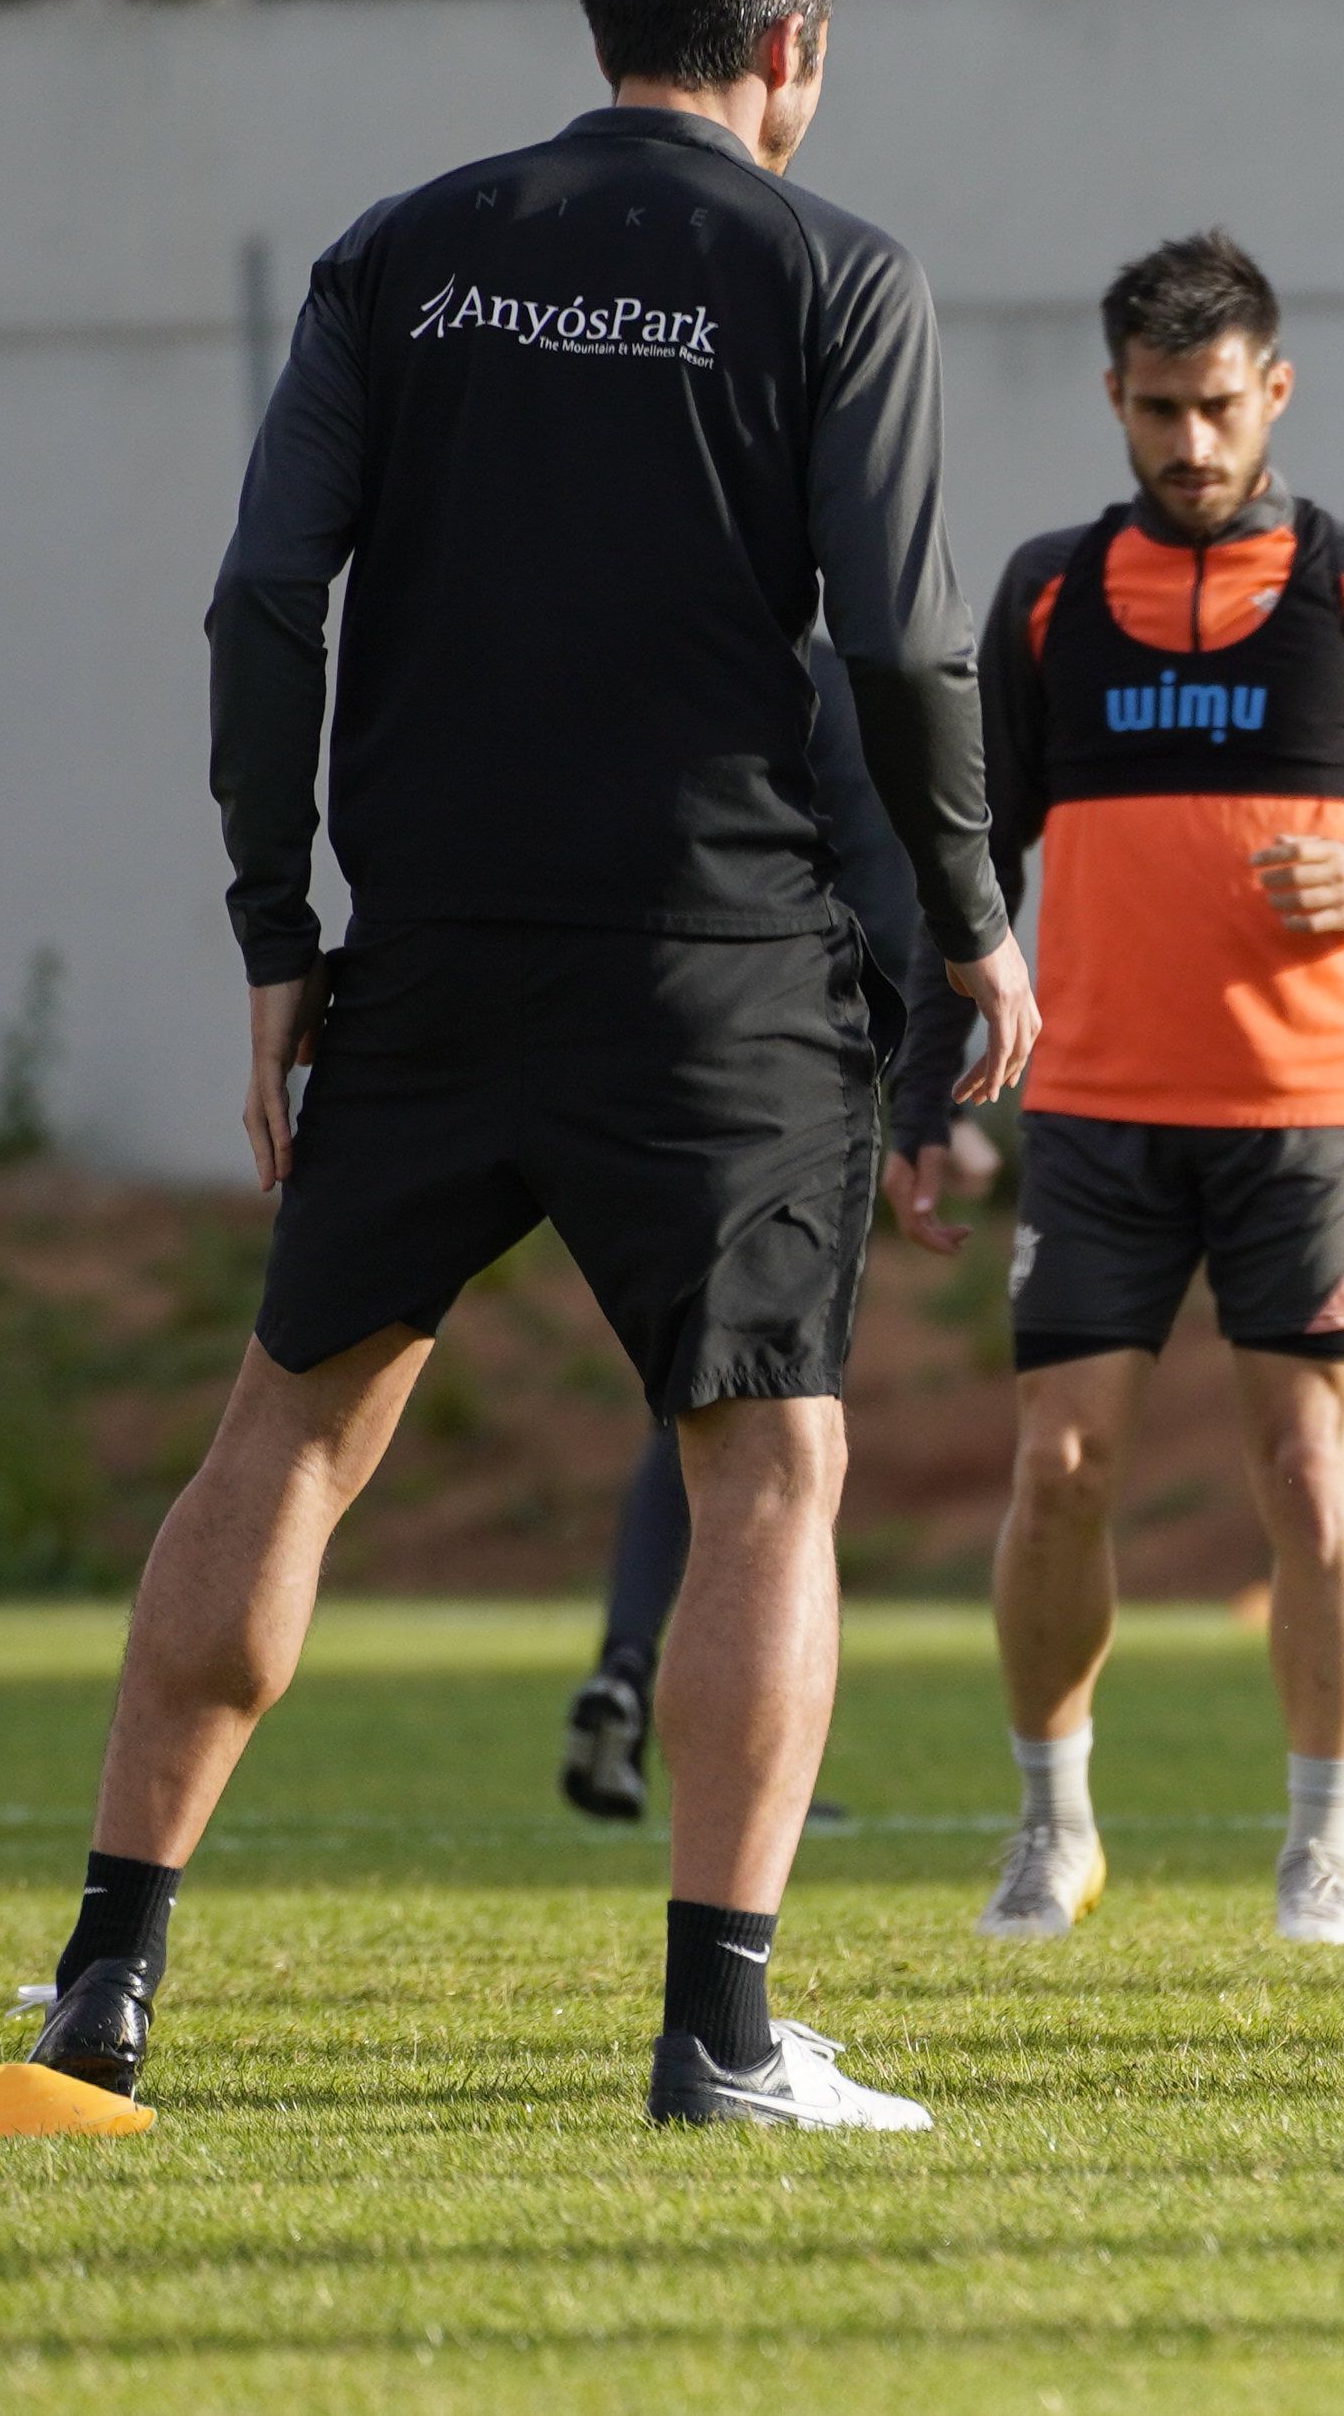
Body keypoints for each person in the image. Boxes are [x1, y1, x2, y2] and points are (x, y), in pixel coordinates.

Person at [30, 0, 1037, 2133]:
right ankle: (718, 2032)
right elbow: (901, 636)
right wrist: (974, 911)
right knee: (770, 1464)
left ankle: (101, 1996)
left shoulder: (405, 254)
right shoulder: (830, 268)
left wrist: (278, 930)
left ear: (604, 39)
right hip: (715, 966)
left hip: (434, 953)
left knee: (283, 1435)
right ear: (787, 51)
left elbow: (266, 600)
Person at [964, 231, 1344, 1950]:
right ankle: (1054, 1831)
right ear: (1113, 401)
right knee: (1058, 1467)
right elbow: (970, 851)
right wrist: (931, 1088)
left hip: (1301, 1120)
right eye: (1154, 409)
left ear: (1274, 390)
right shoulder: (1049, 595)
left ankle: (1321, 1858)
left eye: (1215, 406)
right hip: (1095, 1115)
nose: (1188, 444)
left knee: (1309, 1473)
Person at [561, 635, 1000, 1827]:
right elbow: (877, 883)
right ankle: (750, 1765)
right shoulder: (822, 683)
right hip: (767, 1092)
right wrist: (923, 1101)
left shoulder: (617, 665)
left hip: (597, 1075)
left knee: (695, 1410)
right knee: (769, 1435)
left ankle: (626, 1665)